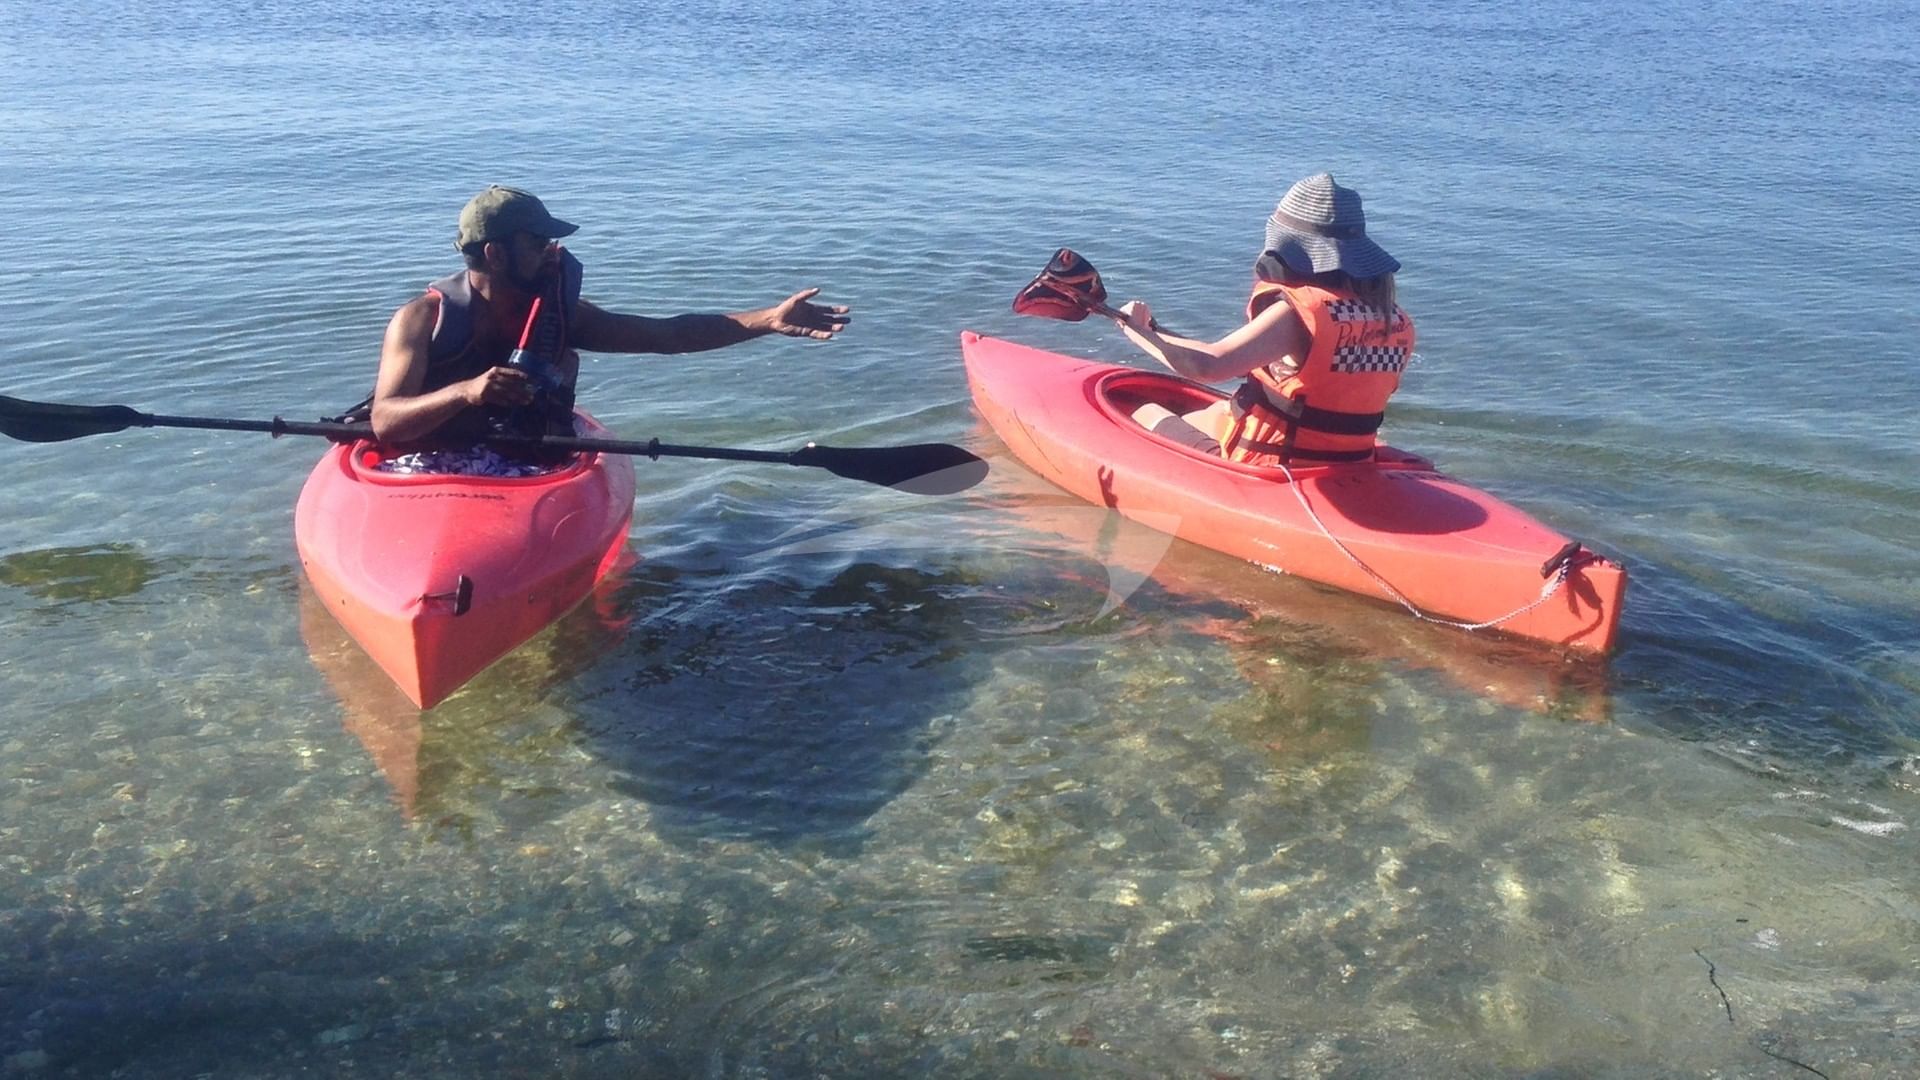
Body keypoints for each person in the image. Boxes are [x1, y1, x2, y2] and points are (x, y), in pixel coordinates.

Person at [361, 185, 850, 470]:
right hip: (422, 463)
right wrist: (467, 392)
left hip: (521, 459)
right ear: (495, 252)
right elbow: (385, 422)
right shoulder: (423, 319)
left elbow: (667, 336)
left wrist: (766, 320)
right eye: (538, 243)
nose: (552, 253)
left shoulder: (561, 314)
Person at [1115, 172, 1413, 467]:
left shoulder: (1300, 315)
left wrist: (1137, 333)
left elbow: (1209, 366)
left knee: (1145, 412)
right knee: (1213, 412)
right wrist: (1155, 331)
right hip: (1350, 458)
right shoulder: (1392, 319)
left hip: (1276, 465)